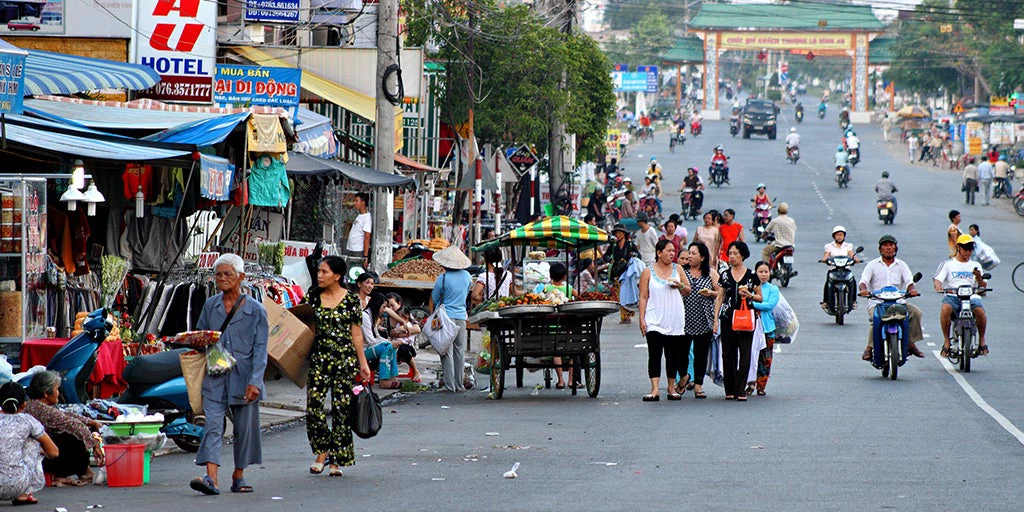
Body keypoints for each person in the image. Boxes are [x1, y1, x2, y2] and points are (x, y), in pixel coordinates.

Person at [187, 253, 269, 495]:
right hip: (215, 376)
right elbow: (201, 335)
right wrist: (195, 340)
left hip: (245, 379)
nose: (222, 279)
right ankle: (211, 478)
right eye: (218, 274)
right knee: (212, 425)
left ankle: (238, 475)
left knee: (244, 429)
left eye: (227, 274)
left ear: (241, 277)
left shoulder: (256, 310)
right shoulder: (210, 305)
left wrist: (255, 381)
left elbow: (261, 350)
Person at [303, 255, 371, 478]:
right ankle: (322, 451)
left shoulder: (351, 300)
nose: (319, 275)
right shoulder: (312, 297)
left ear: (338, 276)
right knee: (314, 407)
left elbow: (356, 334)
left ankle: (336, 460)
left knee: (342, 411)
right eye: (319, 271)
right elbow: (304, 328)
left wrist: (363, 364)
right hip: (319, 360)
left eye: (324, 272)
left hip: (345, 362)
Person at [24, 371, 102, 487]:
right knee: (73, 438)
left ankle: (83, 471)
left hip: (31, 455)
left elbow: (66, 415)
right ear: (46, 393)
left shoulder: (32, 405)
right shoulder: (44, 411)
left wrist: (90, 422)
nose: (58, 393)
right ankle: (60, 474)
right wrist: (96, 445)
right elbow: (75, 426)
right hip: (39, 457)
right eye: (57, 389)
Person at [857, 235, 925, 361]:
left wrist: (912, 290)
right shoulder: (872, 265)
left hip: (899, 302)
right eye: (885, 245)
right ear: (880, 249)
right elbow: (863, 281)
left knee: (916, 312)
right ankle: (869, 348)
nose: (888, 248)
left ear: (895, 248)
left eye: (891, 245)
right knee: (877, 320)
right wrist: (863, 291)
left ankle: (910, 343)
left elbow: (910, 281)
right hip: (877, 303)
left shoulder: (902, 265)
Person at [638, 240, 691, 401]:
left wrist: (680, 286)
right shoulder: (648, 271)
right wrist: (642, 318)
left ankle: (671, 387)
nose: (671, 254)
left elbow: (688, 290)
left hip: (674, 318)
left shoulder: (678, 269)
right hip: (654, 318)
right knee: (654, 354)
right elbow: (643, 296)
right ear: (659, 253)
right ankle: (654, 389)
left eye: (673, 251)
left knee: (672, 355)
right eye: (668, 251)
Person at [713, 242, 762, 402]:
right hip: (727, 318)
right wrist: (715, 320)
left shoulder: (752, 275)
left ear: (742, 255)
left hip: (746, 318)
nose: (732, 256)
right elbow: (720, 296)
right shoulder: (725, 274)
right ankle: (730, 388)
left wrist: (750, 295)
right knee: (727, 354)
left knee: (745, 354)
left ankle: (741, 389)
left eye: (735, 253)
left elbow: (760, 297)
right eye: (730, 253)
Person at [0, 381, 59, 506]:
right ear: (24, 404)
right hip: (18, 485)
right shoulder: (27, 420)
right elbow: (54, 452)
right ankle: (24, 495)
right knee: (32, 440)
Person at [934, 234, 989, 357]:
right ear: (958, 248)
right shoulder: (948, 264)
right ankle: (947, 341)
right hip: (953, 296)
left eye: (970, 249)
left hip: (971, 297)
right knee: (945, 309)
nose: (968, 252)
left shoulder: (976, 265)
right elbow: (937, 280)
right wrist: (939, 286)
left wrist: (979, 277)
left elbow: (983, 285)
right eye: (965, 249)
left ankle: (982, 341)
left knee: (980, 311)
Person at [430, 246, 473, 392]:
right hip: (461, 316)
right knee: (459, 351)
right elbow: (467, 294)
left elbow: (435, 298)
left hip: (446, 317)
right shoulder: (467, 276)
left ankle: (449, 385)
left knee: (445, 350)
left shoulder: (442, 278)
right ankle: (459, 385)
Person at [680, 243, 719, 399]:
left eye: (693, 254)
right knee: (681, 353)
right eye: (689, 253)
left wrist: (710, 293)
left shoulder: (711, 273)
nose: (690, 256)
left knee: (700, 354)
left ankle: (698, 385)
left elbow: (719, 293)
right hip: (683, 319)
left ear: (702, 257)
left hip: (704, 319)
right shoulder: (682, 272)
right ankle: (683, 377)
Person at [361, 292, 404, 389]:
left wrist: (390, 342)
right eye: (383, 307)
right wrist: (388, 343)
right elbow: (370, 340)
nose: (384, 310)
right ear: (377, 305)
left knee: (391, 347)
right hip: (362, 350)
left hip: (369, 347)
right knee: (387, 347)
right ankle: (384, 380)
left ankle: (392, 377)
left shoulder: (372, 316)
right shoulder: (365, 316)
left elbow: (376, 336)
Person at [750, 261, 780, 396]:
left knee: (766, 358)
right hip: (751, 327)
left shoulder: (773, 289)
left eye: (766, 272)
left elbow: (769, 305)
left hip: (768, 328)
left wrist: (753, 302)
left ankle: (761, 385)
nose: (763, 275)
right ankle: (750, 383)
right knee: (751, 357)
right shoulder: (751, 287)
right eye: (760, 272)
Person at [383, 293, 422, 383]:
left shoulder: (405, 314)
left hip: (407, 345)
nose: (391, 309)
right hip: (392, 343)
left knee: (403, 349)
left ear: (399, 303)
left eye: (392, 305)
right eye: (388, 306)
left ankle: (416, 371)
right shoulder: (385, 317)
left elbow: (417, 329)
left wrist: (401, 330)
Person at [604, 223, 639, 323]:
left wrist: (633, 255)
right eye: (616, 233)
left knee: (626, 294)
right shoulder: (613, 245)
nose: (618, 235)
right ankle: (624, 316)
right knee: (620, 295)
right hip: (617, 272)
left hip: (627, 273)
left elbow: (638, 255)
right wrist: (609, 259)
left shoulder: (630, 245)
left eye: (620, 232)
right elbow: (605, 256)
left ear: (624, 234)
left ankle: (626, 315)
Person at [820, 225, 859, 308]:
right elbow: (826, 255)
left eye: (841, 235)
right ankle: (826, 301)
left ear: (844, 236)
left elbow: (851, 254)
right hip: (833, 269)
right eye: (837, 235)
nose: (839, 237)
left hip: (845, 269)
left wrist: (856, 259)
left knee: (853, 282)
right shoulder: (829, 246)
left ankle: (853, 301)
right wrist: (824, 259)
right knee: (828, 283)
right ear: (834, 236)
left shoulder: (848, 246)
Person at [345, 192, 372, 269]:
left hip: (358, 250)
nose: (355, 203)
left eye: (357, 201)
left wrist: (365, 256)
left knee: (356, 271)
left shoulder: (366, 218)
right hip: (351, 248)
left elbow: (367, 237)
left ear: (363, 203)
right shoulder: (359, 215)